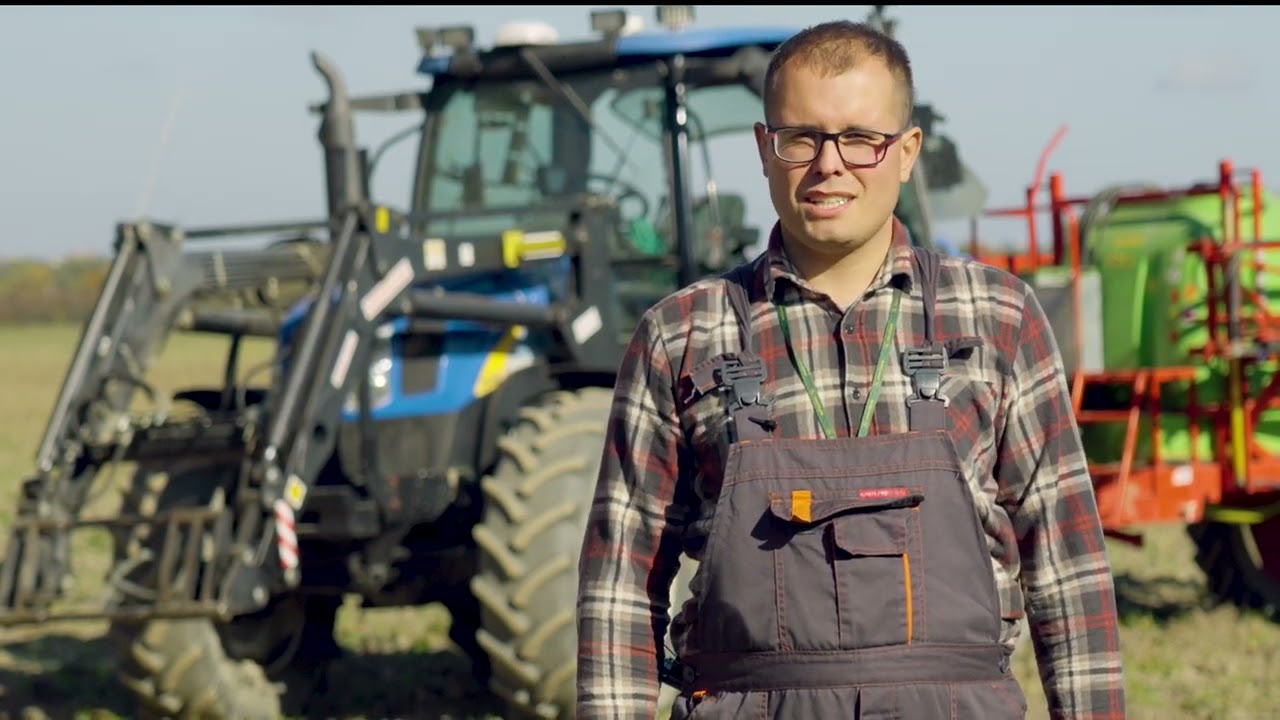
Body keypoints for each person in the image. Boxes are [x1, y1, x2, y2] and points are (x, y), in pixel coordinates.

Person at [576, 18, 1126, 720]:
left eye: (860, 139)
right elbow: (621, 585)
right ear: (764, 149)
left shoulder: (998, 318)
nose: (828, 164)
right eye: (800, 137)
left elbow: (1067, 568)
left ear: (906, 152)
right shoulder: (682, 334)